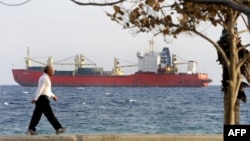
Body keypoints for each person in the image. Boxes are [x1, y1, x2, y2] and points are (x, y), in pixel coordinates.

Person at [26, 65, 66, 135]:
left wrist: (53, 96)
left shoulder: (44, 78)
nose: (53, 72)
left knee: (36, 116)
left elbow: (46, 90)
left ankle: (31, 130)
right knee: (50, 115)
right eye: (52, 70)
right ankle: (58, 129)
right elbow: (40, 89)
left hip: (41, 99)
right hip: (43, 100)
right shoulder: (44, 78)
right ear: (48, 71)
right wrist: (35, 98)